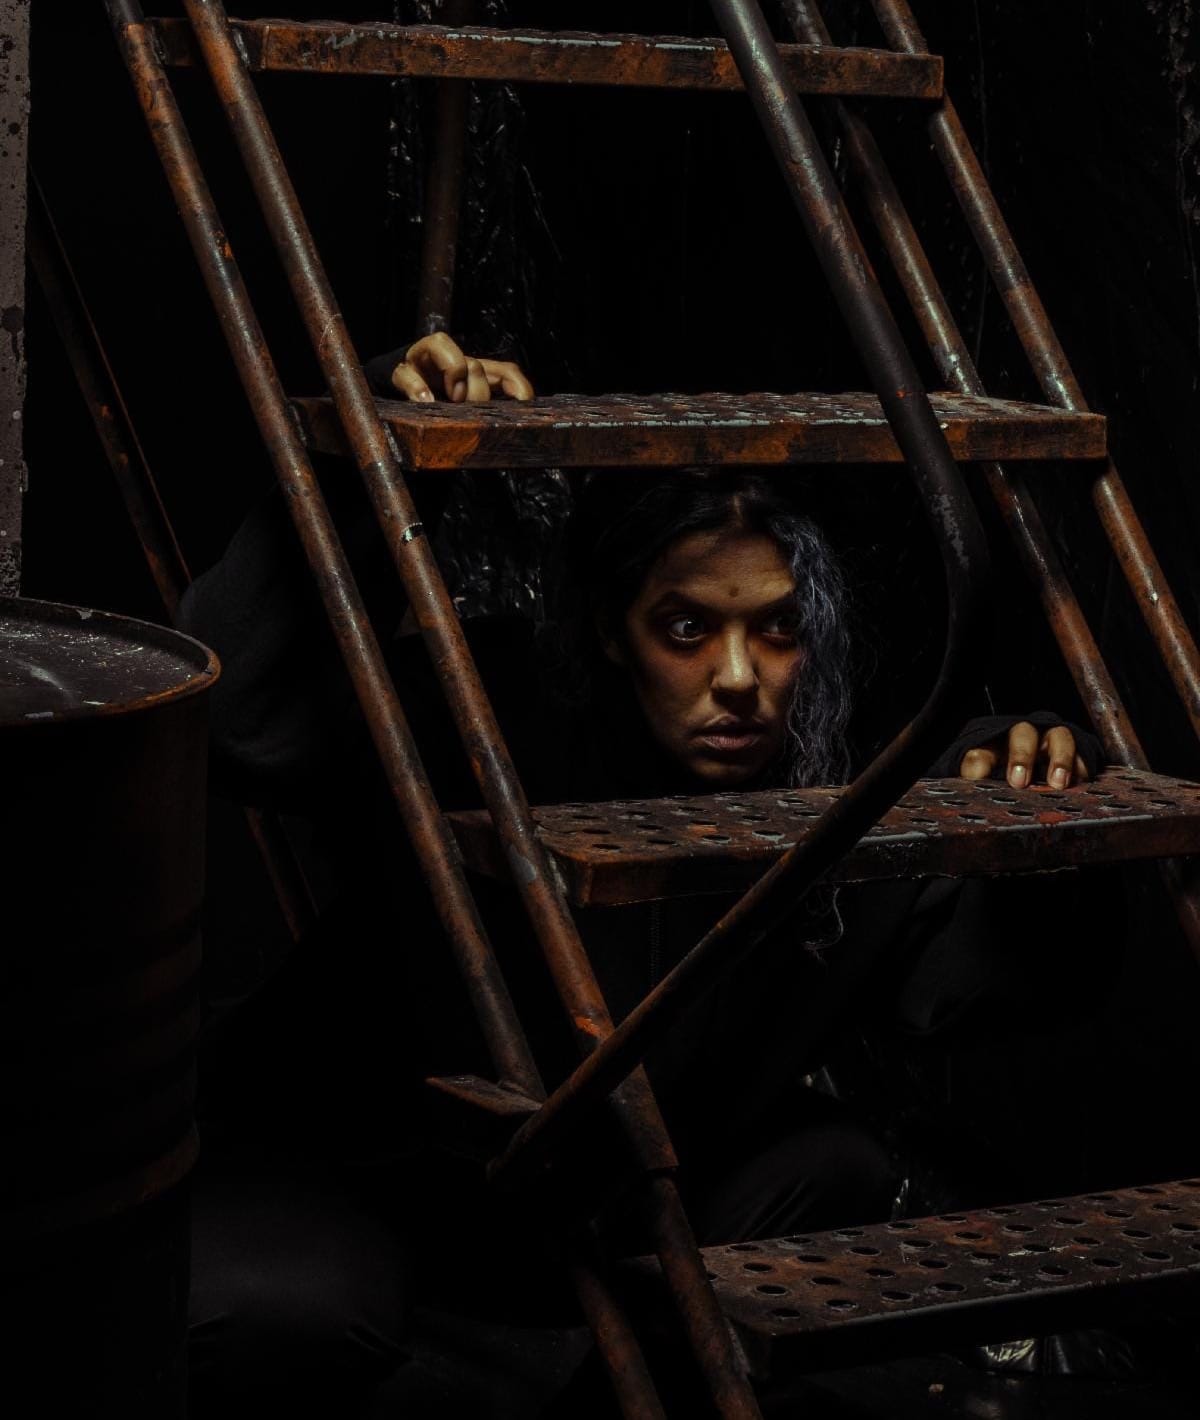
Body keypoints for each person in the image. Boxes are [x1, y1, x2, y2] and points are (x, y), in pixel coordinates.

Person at [182, 333, 1104, 1414]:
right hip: (362, 1178)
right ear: (613, 633)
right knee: (279, 1305)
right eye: (686, 628)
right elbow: (239, 724)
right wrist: (365, 459)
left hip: (585, 1218)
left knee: (836, 1165)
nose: (737, 678)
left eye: (777, 629)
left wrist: (1035, 823)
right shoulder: (489, 707)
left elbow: (978, 985)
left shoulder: (839, 784)